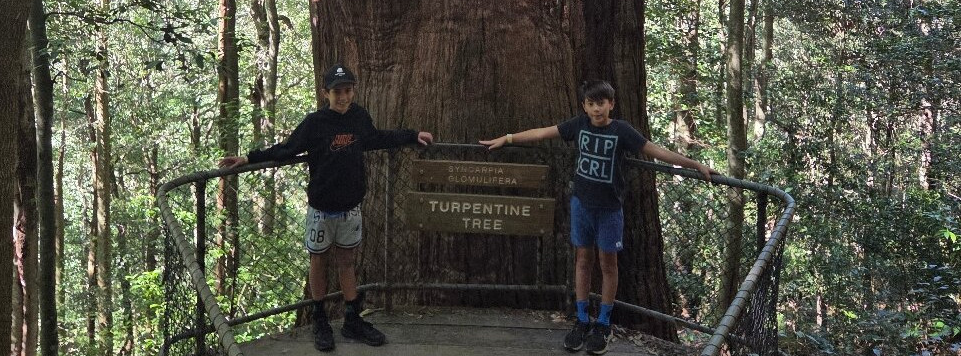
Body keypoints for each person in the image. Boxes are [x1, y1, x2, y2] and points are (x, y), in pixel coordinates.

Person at [480, 80, 715, 355]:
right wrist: (507, 139)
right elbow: (543, 133)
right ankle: (581, 319)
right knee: (582, 260)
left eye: (601, 103)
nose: (596, 109)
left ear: (611, 104)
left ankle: (603, 322)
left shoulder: (621, 131)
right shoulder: (579, 125)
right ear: (584, 106)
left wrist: (693, 164)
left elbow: (654, 150)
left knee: (608, 264)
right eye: (591, 104)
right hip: (582, 205)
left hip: (610, 210)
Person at [219, 64, 433, 352]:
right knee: (318, 260)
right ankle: (319, 317)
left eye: (347, 90)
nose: (343, 97)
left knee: (347, 262)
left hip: (350, 208)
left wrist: (412, 135)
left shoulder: (359, 118)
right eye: (337, 92)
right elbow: (287, 149)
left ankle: (351, 318)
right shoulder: (315, 123)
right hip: (321, 209)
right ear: (326, 93)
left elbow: (377, 138)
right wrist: (249, 157)